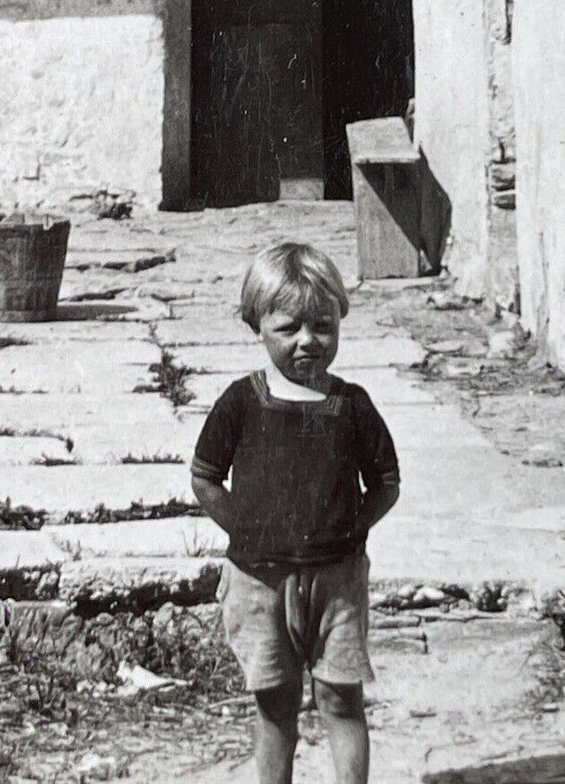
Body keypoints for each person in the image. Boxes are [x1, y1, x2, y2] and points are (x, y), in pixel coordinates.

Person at [191, 243, 401, 784]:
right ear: (256, 325)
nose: (308, 340)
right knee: (275, 703)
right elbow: (205, 478)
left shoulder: (352, 405)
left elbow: (385, 483)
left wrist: (351, 529)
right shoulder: (241, 402)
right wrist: (247, 529)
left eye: (323, 326)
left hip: (336, 582)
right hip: (260, 583)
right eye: (289, 328)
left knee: (341, 697)